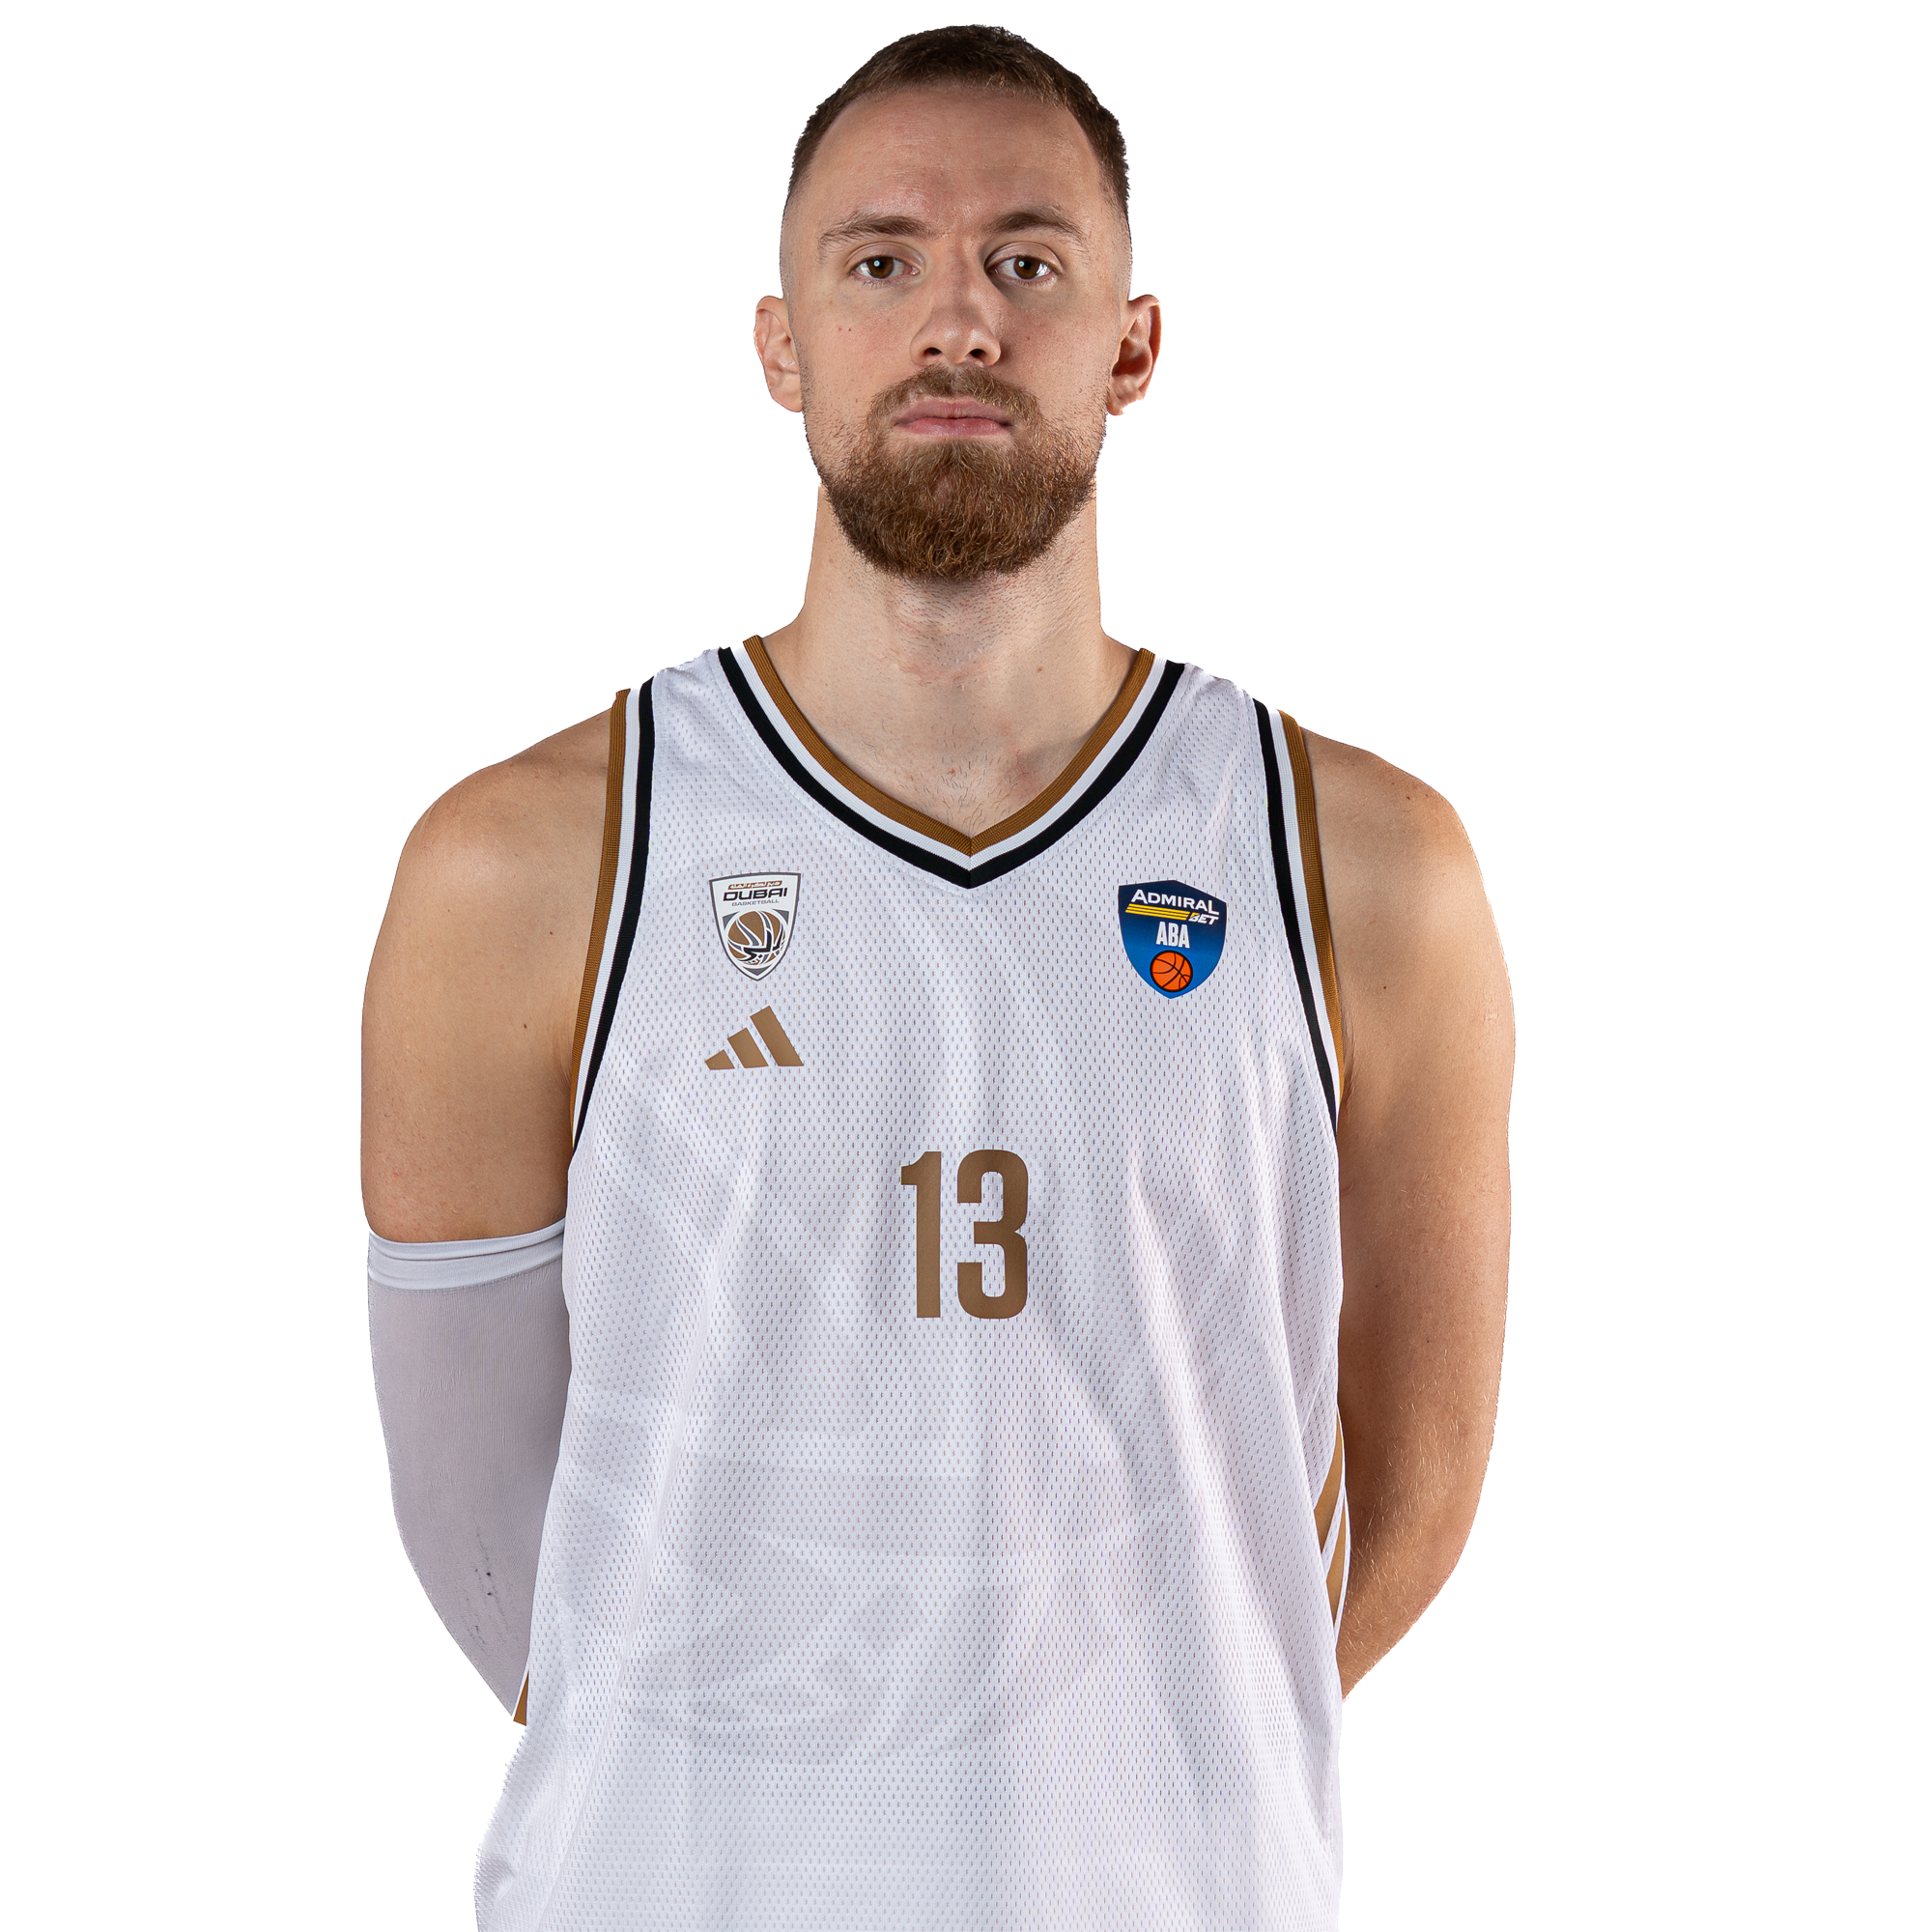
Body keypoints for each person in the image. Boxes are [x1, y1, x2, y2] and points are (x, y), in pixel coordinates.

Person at [362, 24, 1513, 1930]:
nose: (958, 319)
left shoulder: (1366, 870)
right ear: (781, 343)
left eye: (1027, 261)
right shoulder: (522, 865)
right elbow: (477, 1517)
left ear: (1132, 344)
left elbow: (1414, 1476)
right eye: (881, 260)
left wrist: (1118, 1750)